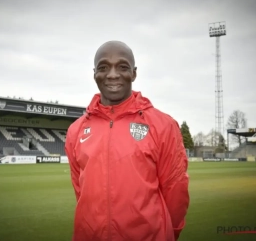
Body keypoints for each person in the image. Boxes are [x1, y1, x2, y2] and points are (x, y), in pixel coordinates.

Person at [65, 41, 190, 241]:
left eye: (122, 67)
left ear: (134, 73)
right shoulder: (76, 130)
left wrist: (168, 234)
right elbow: (80, 191)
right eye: (103, 67)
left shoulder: (163, 125)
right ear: (94, 73)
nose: (112, 74)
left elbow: (176, 191)